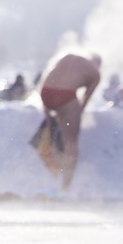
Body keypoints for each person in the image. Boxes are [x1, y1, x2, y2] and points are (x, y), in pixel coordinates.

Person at [38, 52, 102, 191]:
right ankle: (66, 185)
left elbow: (48, 79)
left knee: (53, 129)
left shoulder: (69, 57)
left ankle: (54, 164)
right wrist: (73, 116)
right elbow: (84, 100)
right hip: (64, 95)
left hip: (46, 92)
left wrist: (48, 113)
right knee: (71, 141)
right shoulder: (95, 73)